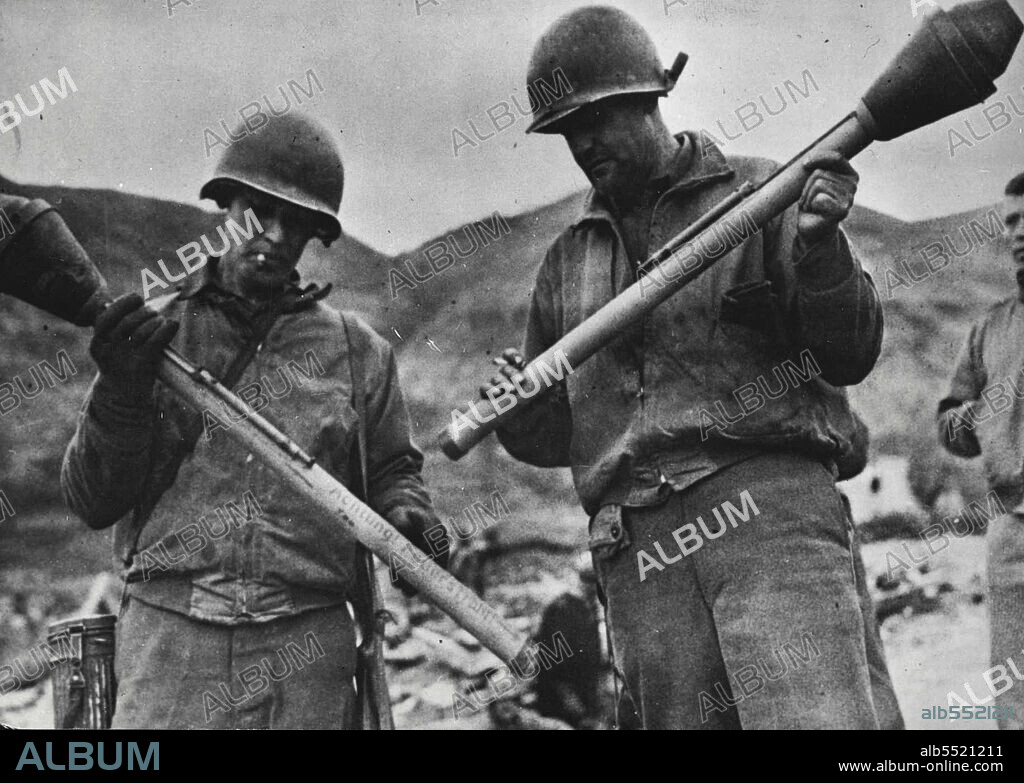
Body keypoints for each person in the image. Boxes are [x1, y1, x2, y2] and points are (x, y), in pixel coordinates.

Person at [482, 6, 891, 729]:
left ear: (650, 98)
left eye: (597, 119)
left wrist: (823, 249)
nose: (583, 144)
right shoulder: (566, 264)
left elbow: (850, 353)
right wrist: (521, 408)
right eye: (567, 130)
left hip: (769, 522)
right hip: (641, 554)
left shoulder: (765, 197)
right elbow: (558, 440)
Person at [60, 113, 447, 729]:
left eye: (295, 224)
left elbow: (394, 472)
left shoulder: (357, 353)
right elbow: (92, 500)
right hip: (173, 646)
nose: (271, 235)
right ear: (224, 208)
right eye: (256, 211)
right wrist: (119, 392)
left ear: (314, 236)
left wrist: (408, 519)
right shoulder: (152, 336)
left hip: (304, 651)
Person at [938, 171, 1024, 730]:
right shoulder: (991, 328)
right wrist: (972, 419)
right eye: (1013, 221)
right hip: (1012, 530)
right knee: (1014, 690)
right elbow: (949, 421)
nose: (1019, 232)